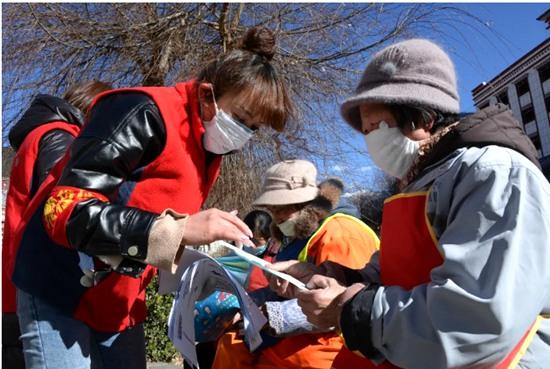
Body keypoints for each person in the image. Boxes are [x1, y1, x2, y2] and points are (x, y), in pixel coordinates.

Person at [11, 26, 293, 369]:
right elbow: (64, 211)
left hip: (119, 296)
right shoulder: (141, 110)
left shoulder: (207, 151)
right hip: (59, 281)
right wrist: (182, 229)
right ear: (207, 96)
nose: (245, 134)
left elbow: (154, 219)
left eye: (255, 127)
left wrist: (212, 255)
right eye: (242, 119)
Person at [270, 39, 550, 368]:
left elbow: (477, 321)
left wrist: (347, 309)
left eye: (376, 127)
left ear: (423, 117)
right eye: (365, 130)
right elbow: (395, 271)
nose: (370, 141)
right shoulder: (417, 183)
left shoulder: (494, 174)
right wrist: (336, 278)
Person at [212, 159, 380, 369]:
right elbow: (281, 293)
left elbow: (343, 302)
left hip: (325, 350)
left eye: (281, 209)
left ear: (303, 203)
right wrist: (243, 303)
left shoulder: (340, 233)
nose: (277, 218)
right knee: (231, 344)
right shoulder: (303, 233)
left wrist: (268, 315)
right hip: (294, 342)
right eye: (272, 211)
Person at [2, 81, 112, 369]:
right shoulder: (61, 138)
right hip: (42, 287)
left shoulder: (41, 134)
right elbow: (64, 208)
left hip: (18, 283)